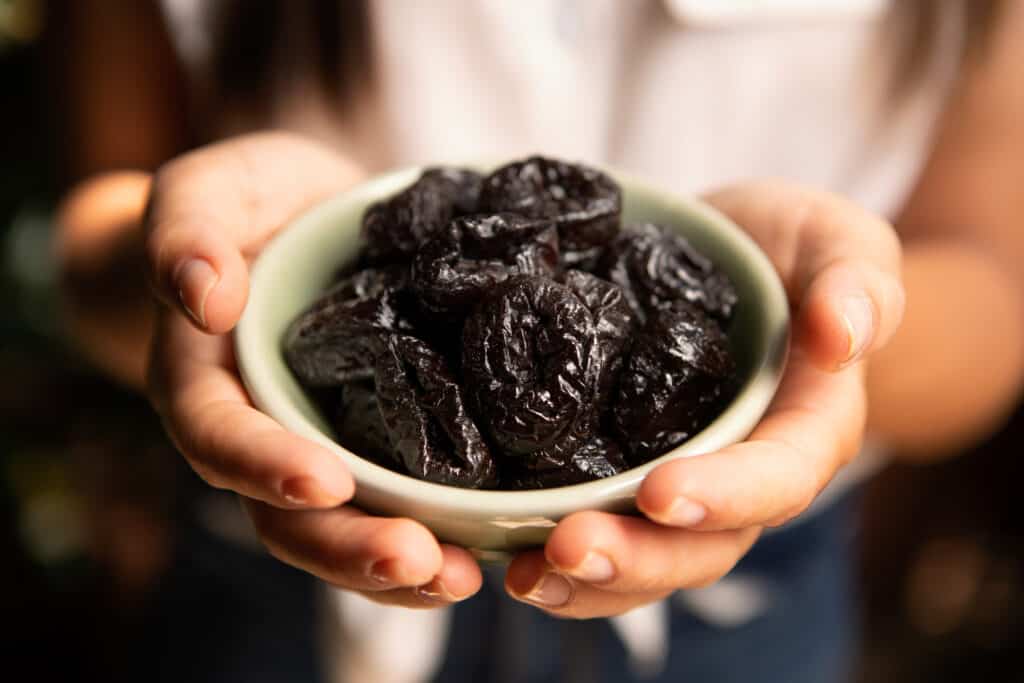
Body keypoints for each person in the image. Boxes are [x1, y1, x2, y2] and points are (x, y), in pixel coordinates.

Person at [55, 1, 1024, 681]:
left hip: (744, 599)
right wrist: (188, 280)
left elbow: (995, 293)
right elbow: (96, 224)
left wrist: (816, 342)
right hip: (276, 575)